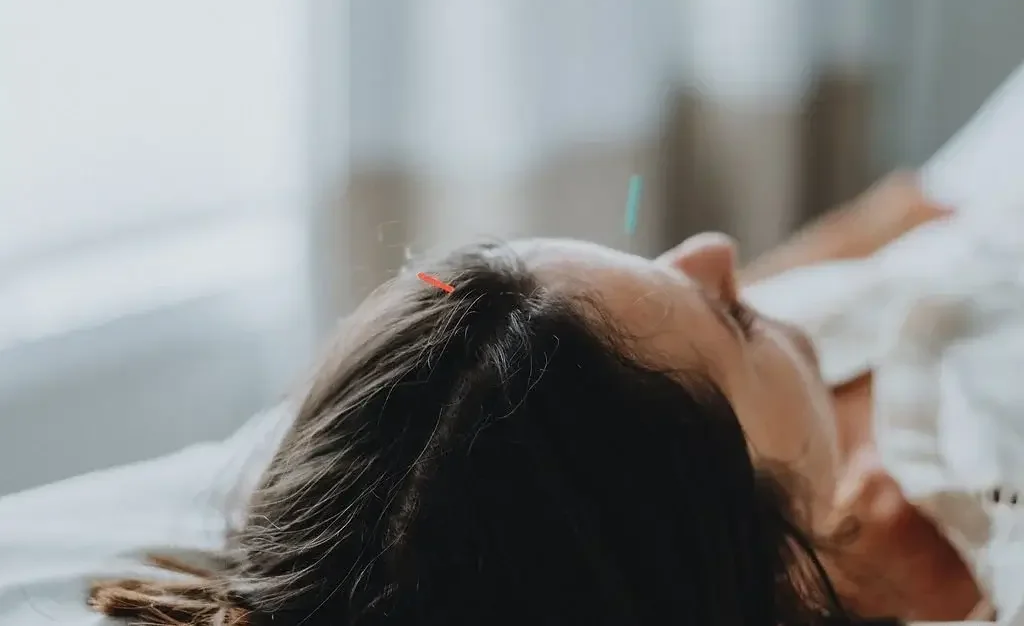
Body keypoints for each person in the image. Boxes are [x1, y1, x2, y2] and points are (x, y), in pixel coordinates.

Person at [85, 168, 979, 625]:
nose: (713, 243)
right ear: (775, 572)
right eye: (734, 320)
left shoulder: (434, 457)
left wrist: (862, 231)